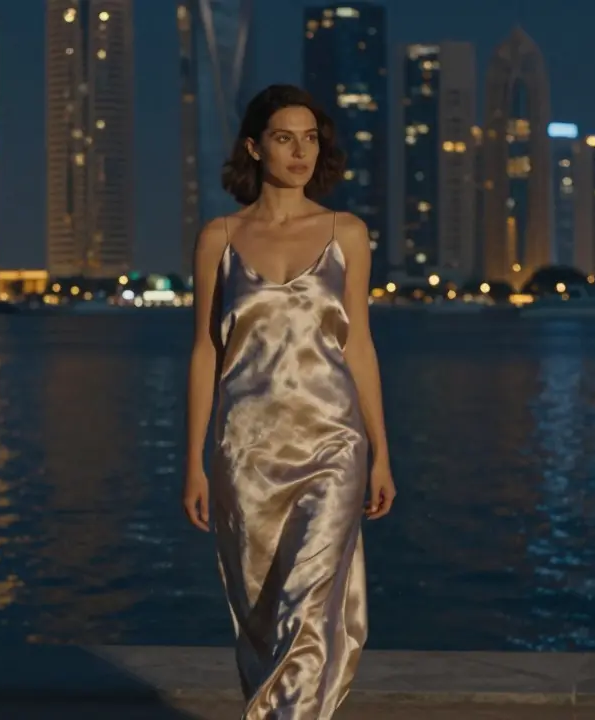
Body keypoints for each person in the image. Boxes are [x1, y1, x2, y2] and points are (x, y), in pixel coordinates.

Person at [182, 84, 396, 719]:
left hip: (332, 446)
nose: (301, 150)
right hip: (244, 454)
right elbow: (204, 353)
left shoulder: (345, 233)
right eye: (284, 137)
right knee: (263, 623)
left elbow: (360, 347)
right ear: (255, 146)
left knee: (312, 613)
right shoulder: (218, 238)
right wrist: (193, 461)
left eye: (311, 137)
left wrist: (381, 452)